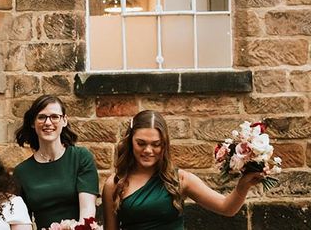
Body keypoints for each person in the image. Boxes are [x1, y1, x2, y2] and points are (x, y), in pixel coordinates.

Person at [102, 110, 265, 230]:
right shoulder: (114, 184)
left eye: (156, 144)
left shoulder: (180, 180)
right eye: (141, 143)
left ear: (164, 145)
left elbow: (226, 207)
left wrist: (243, 186)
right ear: (130, 142)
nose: (148, 150)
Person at [13, 95, 99, 227]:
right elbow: (22, 222)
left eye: (54, 116)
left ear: (64, 120)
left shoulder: (81, 158)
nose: (48, 122)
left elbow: (87, 211)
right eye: (41, 117)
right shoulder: (22, 172)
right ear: (32, 123)